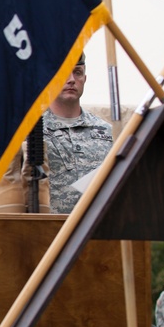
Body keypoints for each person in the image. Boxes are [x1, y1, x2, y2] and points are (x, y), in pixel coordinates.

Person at [43, 52, 113, 214]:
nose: (71, 79)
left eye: (77, 73)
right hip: (50, 230)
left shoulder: (106, 131)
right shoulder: (31, 132)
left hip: (95, 228)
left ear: (84, 79)